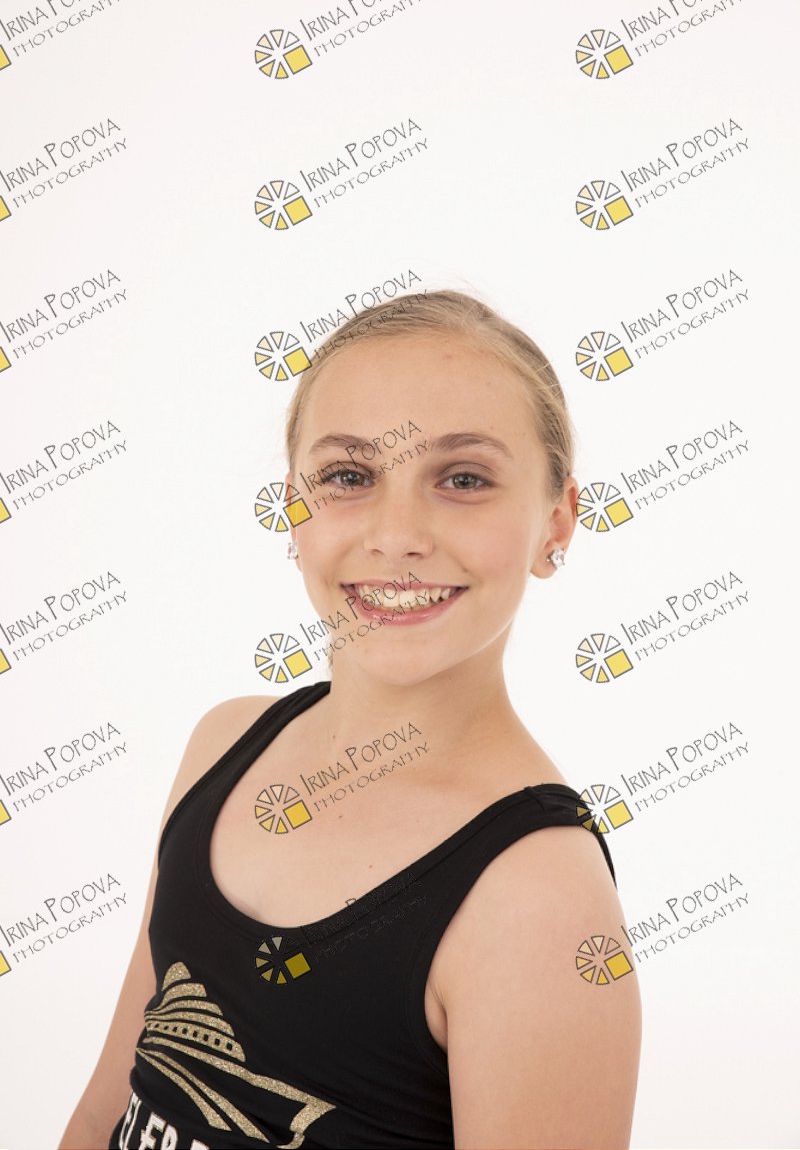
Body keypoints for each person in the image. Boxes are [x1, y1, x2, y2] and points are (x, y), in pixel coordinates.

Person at [59, 289, 641, 1150]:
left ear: (557, 521)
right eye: (348, 476)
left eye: (464, 479)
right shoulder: (224, 744)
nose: (397, 534)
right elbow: (110, 1100)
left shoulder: (538, 899)